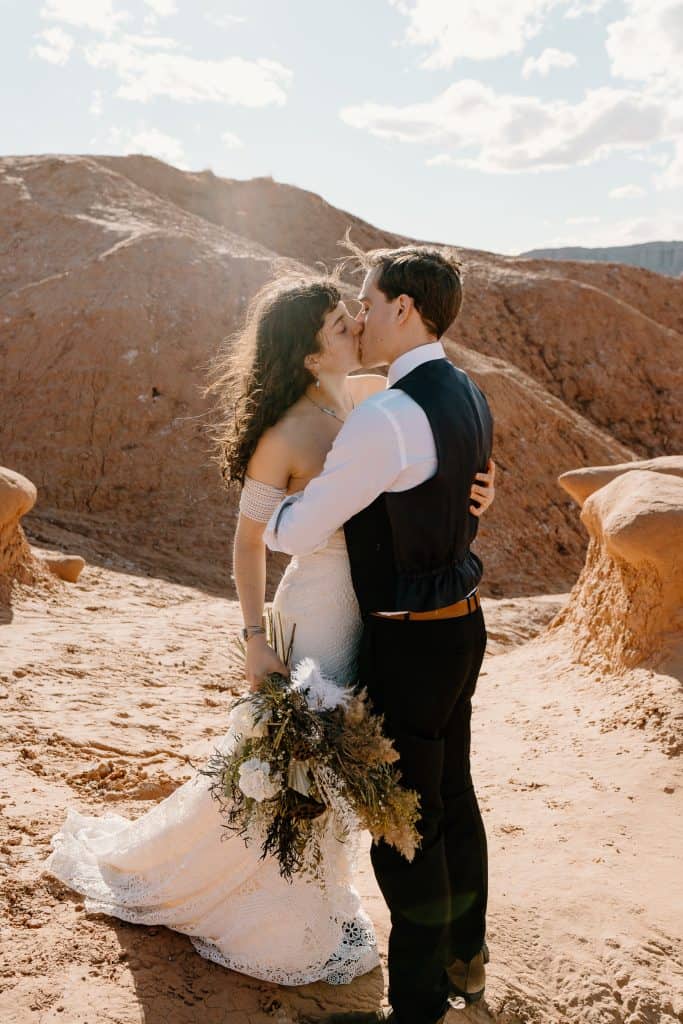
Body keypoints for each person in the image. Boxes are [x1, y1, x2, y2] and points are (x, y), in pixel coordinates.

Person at [44, 272, 495, 990]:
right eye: (338, 323)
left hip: (370, 620)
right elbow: (250, 542)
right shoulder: (288, 432)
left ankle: (311, 896)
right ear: (311, 357)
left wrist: (477, 490)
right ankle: (261, 903)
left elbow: (423, 476)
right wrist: (255, 637)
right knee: (285, 764)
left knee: (336, 763)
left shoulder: (371, 407)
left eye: (359, 312)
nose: (355, 324)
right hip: (317, 612)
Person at [263, 246, 494, 1024]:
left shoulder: (386, 418)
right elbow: (448, 489)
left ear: (403, 307)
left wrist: (285, 494)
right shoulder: (464, 390)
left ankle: (420, 1004)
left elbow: (295, 533)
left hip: (410, 645)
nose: (359, 314)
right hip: (463, 629)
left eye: (367, 298)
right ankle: (466, 963)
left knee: (403, 825)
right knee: (453, 802)